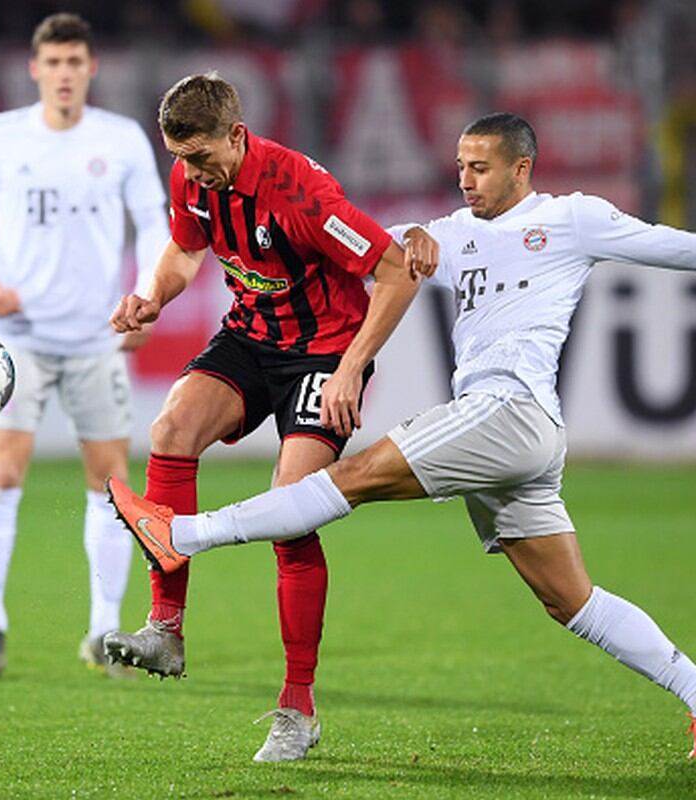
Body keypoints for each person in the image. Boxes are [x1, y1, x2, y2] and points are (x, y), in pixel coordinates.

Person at [107, 112, 696, 759]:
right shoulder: (449, 235)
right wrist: (404, 240)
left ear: (523, 168)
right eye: (459, 167)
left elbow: (675, 247)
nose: (466, 180)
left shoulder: (572, 218)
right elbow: (366, 251)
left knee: (347, 481)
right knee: (570, 600)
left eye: (480, 167)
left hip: (507, 411)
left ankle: (186, 534)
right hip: (513, 441)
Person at [103, 73, 429, 762]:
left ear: (239, 136)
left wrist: (349, 367)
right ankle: (165, 627)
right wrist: (150, 295)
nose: (191, 172)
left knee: (292, 507)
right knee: (170, 430)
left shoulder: (304, 194)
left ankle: (298, 707)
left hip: (324, 352)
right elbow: (186, 248)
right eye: (181, 159)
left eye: (201, 158)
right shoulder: (192, 177)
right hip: (253, 336)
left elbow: (397, 270)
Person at [0, 13, 170, 678]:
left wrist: (148, 294)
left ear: (91, 68)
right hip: (15, 341)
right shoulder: (0, 136)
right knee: (5, 470)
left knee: (110, 483)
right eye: (55, 63)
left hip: (96, 337)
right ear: (35, 68)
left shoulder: (122, 139)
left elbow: (154, 226)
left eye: (76, 62)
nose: (65, 74)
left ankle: (104, 629)